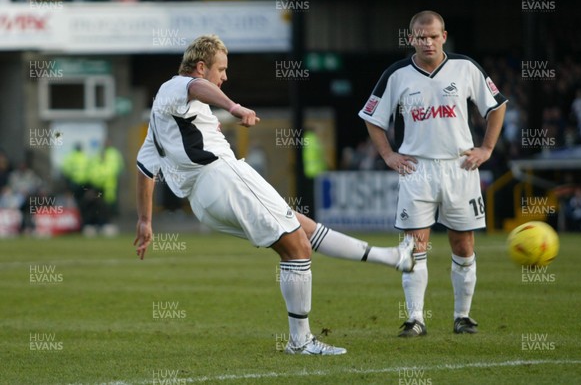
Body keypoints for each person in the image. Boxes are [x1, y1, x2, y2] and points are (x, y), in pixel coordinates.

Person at [133, 35, 415, 355]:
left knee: (304, 228)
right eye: (221, 69)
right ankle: (301, 341)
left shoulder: (159, 117)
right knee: (297, 248)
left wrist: (145, 221)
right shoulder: (178, 86)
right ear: (201, 67)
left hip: (203, 201)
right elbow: (196, 87)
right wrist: (233, 106)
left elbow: (144, 169)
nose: (225, 76)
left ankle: (393, 258)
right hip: (221, 178)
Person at [359, 11, 507, 337]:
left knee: (463, 244)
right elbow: (371, 116)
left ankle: (462, 316)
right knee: (415, 246)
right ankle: (415, 319)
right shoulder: (396, 74)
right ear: (411, 38)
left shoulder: (465, 67)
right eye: (421, 36)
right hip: (417, 168)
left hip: (460, 166)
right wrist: (387, 154)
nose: (427, 41)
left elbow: (497, 106)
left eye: (433, 36)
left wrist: (487, 149)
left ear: (444, 36)